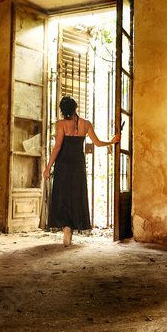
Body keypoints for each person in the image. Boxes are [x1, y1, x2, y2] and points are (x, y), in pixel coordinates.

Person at [43, 96, 120, 247]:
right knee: (75, 197)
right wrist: (111, 142)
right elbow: (97, 143)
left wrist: (48, 167)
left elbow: (58, 147)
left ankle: (66, 228)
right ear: (76, 106)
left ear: (62, 110)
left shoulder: (61, 124)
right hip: (78, 165)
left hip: (63, 164)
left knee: (61, 196)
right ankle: (71, 227)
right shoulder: (86, 124)